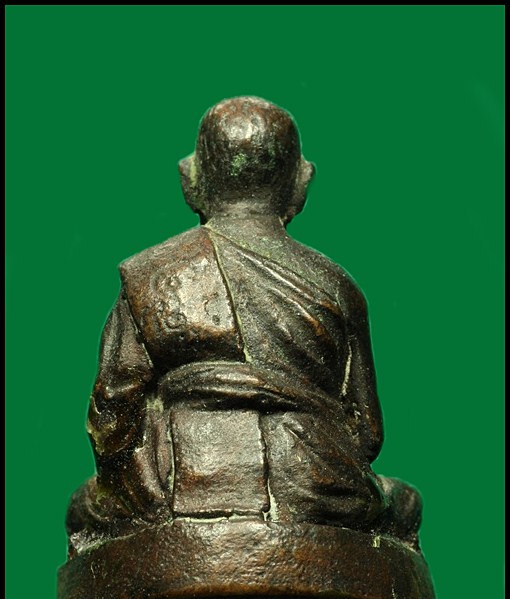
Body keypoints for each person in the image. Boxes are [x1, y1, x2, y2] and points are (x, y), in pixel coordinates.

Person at [67, 96, 421, 554]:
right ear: (301, 184)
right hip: (315, 486)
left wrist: (137, 485)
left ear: (189, 180)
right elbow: (366, 433)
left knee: (83, 508)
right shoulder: (338, 288)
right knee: (405, 504)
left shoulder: (149, 275)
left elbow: (111, 415)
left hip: (179, 486)